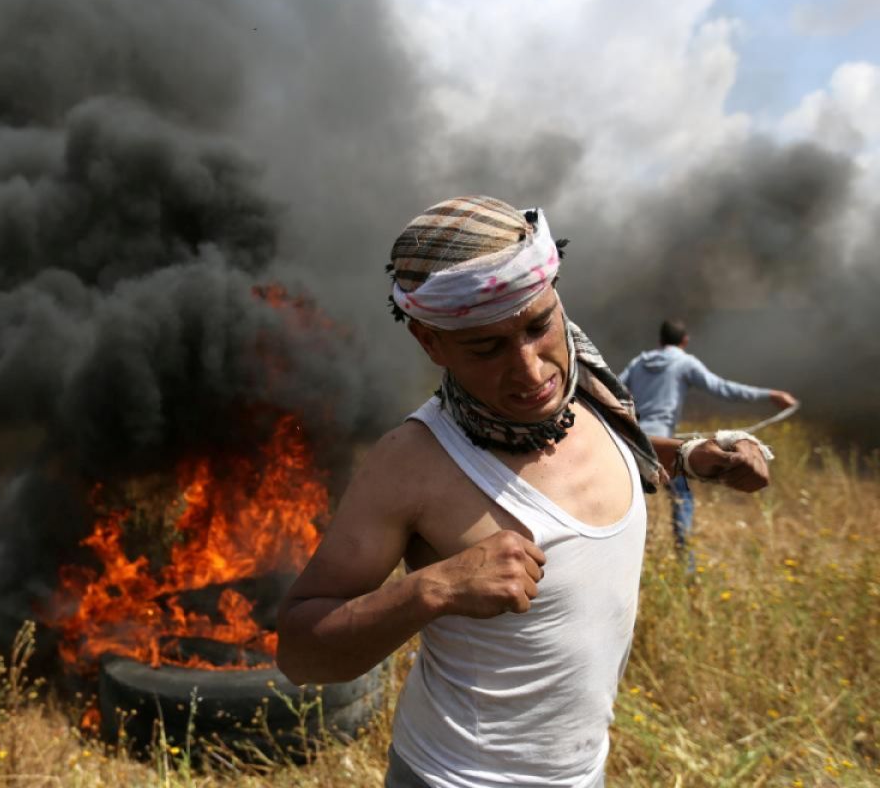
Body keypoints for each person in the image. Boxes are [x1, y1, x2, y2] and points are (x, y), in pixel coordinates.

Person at [275, 196, 772, 787]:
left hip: (585, 773)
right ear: (431, 343)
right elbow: (301, 652)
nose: (532, 371)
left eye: (539, 326)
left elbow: (616, 457)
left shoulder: (589, 396)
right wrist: (433, 588)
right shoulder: (412, 463)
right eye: (486, 348)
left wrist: (693, 456)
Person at [618, 319, 797, 562]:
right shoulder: (684, 362)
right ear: (685, 341)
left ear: (659, 341)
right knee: (682, 500)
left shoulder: (638, 362)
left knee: (626, 503)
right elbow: (723, 389)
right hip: (666, 445)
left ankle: (626, 560)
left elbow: (612, 389)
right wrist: (771, 394)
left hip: (633, 441)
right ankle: (686, 565)